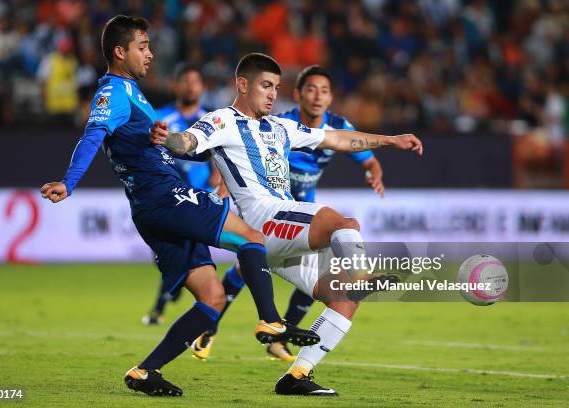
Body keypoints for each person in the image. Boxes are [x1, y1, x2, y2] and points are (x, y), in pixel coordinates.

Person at [40, 17, 319, 398]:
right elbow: (93, 134)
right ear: (120, 52)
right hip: (164, 196)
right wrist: (68, 183)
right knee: (252, 236)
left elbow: (162, 147)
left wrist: (173, 144)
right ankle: (271, 321)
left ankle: (144, 371)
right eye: (143, 46)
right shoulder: (114, 93)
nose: (151, 54)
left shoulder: (133, 94)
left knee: (212, 298)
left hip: (151, 209)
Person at [151, 52, 423, 396]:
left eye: (276, 87)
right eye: (265, 85)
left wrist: (390, 140)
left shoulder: (281, 128)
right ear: (242, 84)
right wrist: (168, 138)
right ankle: (360, 272)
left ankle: (296, 375)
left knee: (346, 298)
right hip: (261, 220)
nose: (271, 93)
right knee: (340, 221)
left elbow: (336, 138)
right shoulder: (224, 120)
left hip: (282, 232)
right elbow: (188, 142)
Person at [189, 64, 387, 363]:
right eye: (311, 89)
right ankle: (212, 328)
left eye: (324, 91)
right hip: (272, 212)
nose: (318, 96)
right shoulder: (274, 122)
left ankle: (290, 361)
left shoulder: (330, 125)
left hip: (298, 206)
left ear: (331, 97)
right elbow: (232, 149)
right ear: (298, 94)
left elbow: (358, 151)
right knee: (336, 229)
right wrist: (225, 180)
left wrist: (380, 160)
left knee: (334, 286)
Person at [142, 62, 225, 326]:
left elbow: (221, 155)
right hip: (168, 198)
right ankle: (185, 305)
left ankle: (164, 307)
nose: (191, 86)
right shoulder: (159, 118)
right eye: (186, 81)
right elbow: (148, 152)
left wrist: (218, 176)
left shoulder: (211, 121)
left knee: (185, 253)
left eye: (196, 81)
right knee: (179, 254)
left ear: (202, 87)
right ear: (175, 85)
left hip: (199, 199)